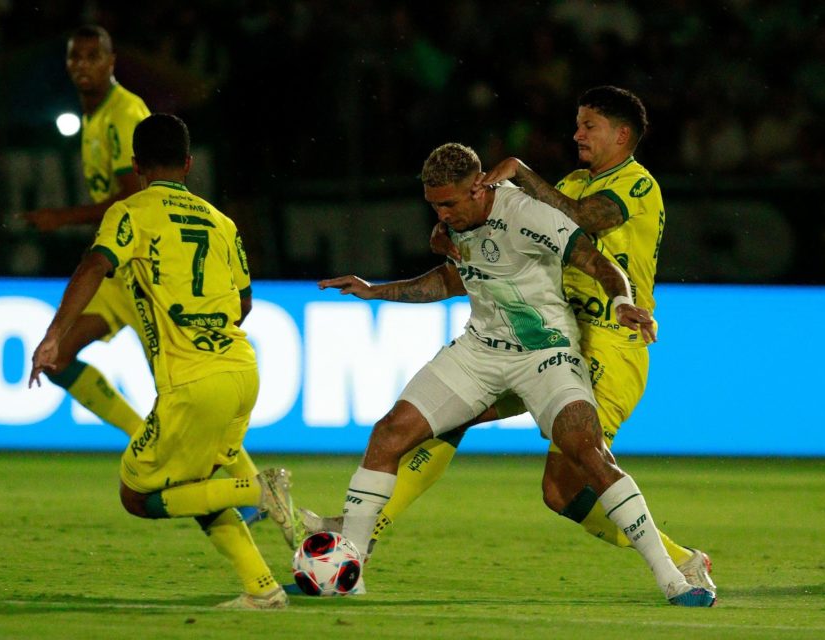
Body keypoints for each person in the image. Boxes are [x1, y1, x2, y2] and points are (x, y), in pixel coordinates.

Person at [304, 86, 715, 593]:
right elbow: (496, 255)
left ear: (622, 134)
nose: (577, 133)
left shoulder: (635, 186)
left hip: (609, 338)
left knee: (565, 487)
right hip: (531, 338)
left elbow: (579, 222)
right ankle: (362, 533)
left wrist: (517, 175)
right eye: (577, 123)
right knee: (445, 420)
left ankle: (681, 563)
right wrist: (458, 237)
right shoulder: (569, 182)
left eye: (589, 125)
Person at [30, 113, 300, 609]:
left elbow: (95, 265)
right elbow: (243, 304)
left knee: (137, 495)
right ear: (190, 164)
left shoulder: (131, 212)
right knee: (192, 486)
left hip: (193, 383)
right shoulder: (222, 222)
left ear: (135, 165)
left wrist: (55, 334)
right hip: (243, 371)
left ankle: (256, 491)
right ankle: (262, 589)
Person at [22, 26, 264, 523]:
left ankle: (253, 491)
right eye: (76, 57)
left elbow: (137, 201)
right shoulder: (92, 118)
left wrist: (61, 218)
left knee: (185, 394)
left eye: (93, 57)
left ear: (112, 62)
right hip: (117, 275)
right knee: (61, 357)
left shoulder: (124, 116)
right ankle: (147, 437)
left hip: (143, 274)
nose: (83, 65)